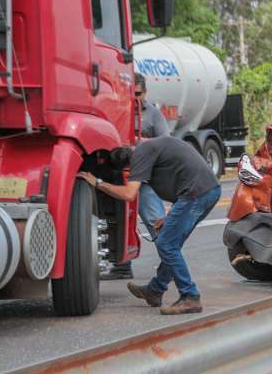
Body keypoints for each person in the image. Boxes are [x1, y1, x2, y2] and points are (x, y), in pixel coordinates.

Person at [78, 137, 221, 315]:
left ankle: (190, 297)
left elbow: (129, 194)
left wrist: (98, 183)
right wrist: (170, 216)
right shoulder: (148, 149)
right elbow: (182, 173)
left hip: (196, 194)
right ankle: (155, 291)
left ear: (126, 167)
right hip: (205, 191)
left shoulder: (140, 155)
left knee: (166, 244)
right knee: (171, 243)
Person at [101, 73, 171, 280]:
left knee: (155, 221)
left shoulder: (154, 115)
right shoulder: (116, 111)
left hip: (146, 177)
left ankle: (171, 264)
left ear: (145, 92)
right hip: (119, 175)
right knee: (118, 220)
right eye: (131, 93)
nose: (135, 98)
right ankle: (122, 266)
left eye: (138, 93)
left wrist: (138, 143)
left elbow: (165, 143)